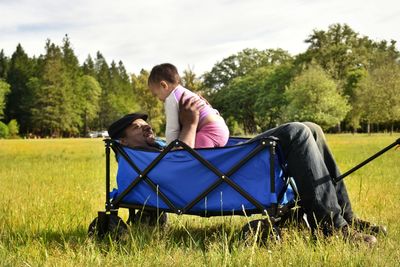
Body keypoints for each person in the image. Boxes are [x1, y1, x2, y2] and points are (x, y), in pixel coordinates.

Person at [108, 96, 386, 246]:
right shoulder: (142, 161)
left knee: (312, 128)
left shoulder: (159, 146)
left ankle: (346, 217)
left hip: (223, 164)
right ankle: (332, 228)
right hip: (222, 170)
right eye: (136, 127)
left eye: (145, 123)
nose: (146, 126)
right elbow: (185, 164)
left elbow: (195, 148)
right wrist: (190, 122)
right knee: (296, 131)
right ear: (123, 141)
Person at [147, 63, 229, 148]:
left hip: (209, 131)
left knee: (193, 158)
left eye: (156, 94)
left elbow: (172, 129)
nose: (158, 99)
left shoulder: (171, 99)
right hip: (221, 127)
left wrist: (170, 148)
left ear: (164, 85)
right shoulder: (186, 93)